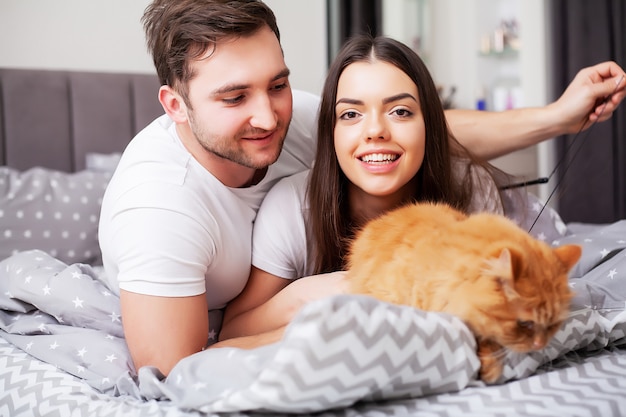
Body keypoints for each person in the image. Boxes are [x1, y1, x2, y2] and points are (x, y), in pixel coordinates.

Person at [98, 0, 626, 376]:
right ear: (176, 106)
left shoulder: (304, 117)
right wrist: (340, 297)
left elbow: (416, 133)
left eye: (278, 85)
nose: (268, 114)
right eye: (234, 97)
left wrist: (559, 116)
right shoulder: (158, 209)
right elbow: (172, 371)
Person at [219, 34, 514, 340]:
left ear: (429, 124)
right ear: (330, 132)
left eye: (400, 111)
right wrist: (308, 299)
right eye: (351, 114)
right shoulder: (293, 208)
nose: (375, 131)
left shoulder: (470, 188)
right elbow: (233, 332)